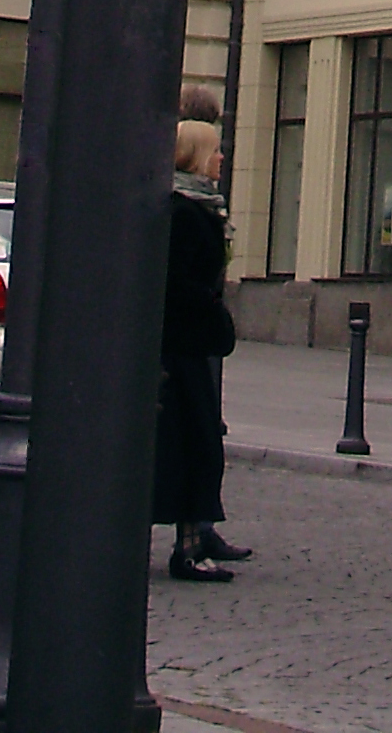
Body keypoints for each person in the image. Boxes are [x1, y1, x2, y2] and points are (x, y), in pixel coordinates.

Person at [153, 111, 248, 581]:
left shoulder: (202, 208)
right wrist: (210, 304)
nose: (222, 159)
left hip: (195, 345)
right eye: (214, 151)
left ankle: (197, 536)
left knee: (201, 442)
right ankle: (189, 547)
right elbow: (174, 283)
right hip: (182, 349)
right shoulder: (184, 213)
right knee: (192, 445)